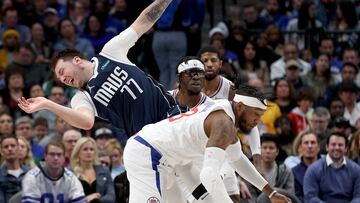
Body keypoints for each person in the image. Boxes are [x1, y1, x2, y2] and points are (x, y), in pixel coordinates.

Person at [17, 0, 181, 139]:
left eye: (62, 72)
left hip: (172, 114)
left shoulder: (111, 51)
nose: (63, 80)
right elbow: (86, 121)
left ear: (76, 60)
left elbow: (143, 22)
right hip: (149, 138)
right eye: (61, 80)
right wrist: (48, 104)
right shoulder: (81, 97)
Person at [123, 85, 292, 203]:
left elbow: (237, 159)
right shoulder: (223, 123)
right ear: (240, 107)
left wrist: (271, 193)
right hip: (148, 151)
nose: (258, 121)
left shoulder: (228, 118)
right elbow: (208, 174)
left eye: (260, 115)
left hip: (175, 163)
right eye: (256, 114)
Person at [303, 132, 360, 202]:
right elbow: (310, 197)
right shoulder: (313, 169)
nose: (336, 147)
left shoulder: (356, 169)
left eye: (340, 145)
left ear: (346, 148)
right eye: (333, 144)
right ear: (327, 147)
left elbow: (358, 196)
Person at [291, 130, 320, 202]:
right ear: (299, 148)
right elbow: (296, 197)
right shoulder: (294, 172)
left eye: (313, 143)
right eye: (306, 143)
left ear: (318, 147)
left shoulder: (328, 168)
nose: (310, 146)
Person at [0, 135, 30, 203]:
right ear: (1, 152)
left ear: (18, 149)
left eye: (13, 146)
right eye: (6, 147)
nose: (10, 149)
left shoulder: (30, 173)